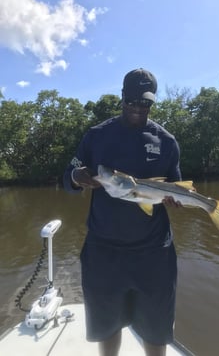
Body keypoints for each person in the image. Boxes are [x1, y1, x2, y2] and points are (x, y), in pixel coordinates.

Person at [63, 68, 182, 356]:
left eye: (145, 103)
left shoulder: (165, 141)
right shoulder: (96, 136)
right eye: (132, 101)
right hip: (104, 253)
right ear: (122, 97)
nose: (138, 108)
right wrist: (76, 176)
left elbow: (176, 184)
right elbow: (68, 177)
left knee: (157, 331)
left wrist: (176, 199)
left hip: (154, 254)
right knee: (108, 327)